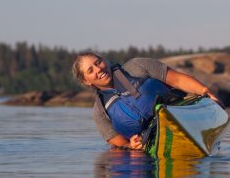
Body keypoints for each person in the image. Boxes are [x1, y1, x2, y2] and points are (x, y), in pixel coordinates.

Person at [72, 52, 222, 150]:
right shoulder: (100, 113)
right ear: (86, 81)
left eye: (98, 62)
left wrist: (206, 92)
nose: (98, 69)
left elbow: (177, 79)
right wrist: (131, 145)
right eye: (91, 70)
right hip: (151, 146)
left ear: (105, 61)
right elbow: (121, 145)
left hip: (179, 116)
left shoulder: (138, 66)